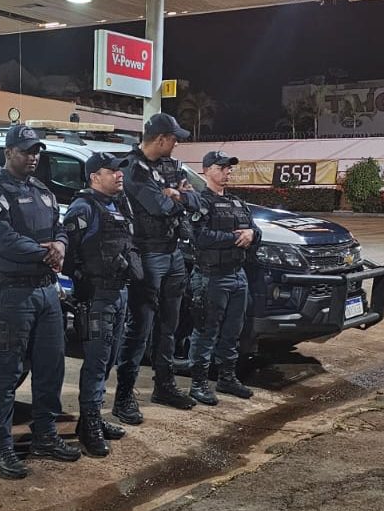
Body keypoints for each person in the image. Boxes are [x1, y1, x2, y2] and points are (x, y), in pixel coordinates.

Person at [0, 124, 81, 480]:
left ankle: (45, 436)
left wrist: (60, 244)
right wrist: (45, 253)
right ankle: (0, 447)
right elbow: (3, 241)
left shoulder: (42, 191)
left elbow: (59, 228)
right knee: (7, 372)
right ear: (8, 152)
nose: (33, 157)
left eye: (36, 151)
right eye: (25, 151)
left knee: (51, 367)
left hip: (47, 291)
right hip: (12, 293)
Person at [112, 113, 202, 425]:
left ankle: (164, 386)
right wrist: (177, 197)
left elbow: (197, 200)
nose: (177, 144)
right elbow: (158, 207)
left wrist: (178, 195)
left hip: (173, 252)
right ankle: (124, 396)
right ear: (161, 139)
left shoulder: (171, 166)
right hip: (147, 254)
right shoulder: (132, 168)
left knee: (169, 325)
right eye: (174, 138)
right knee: (140, 328)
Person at [62, 153, 139, 456]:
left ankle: (91, 418)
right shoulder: (83, 208)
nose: (120, 175)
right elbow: (68, 257)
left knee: (108, 360)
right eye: (113, 171)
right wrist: (84, 284)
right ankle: (90, 426)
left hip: (119, 293)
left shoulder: (117, 205)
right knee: (96, 362)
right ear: (95, 176)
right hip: (97, 297)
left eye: (120, 171)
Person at [186, 151, 262, 405]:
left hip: (237, 275)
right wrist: (235, 238)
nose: (227, 172)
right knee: (206, 332)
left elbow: (255, 231)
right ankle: (198, 383)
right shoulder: (200, 202)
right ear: (207, 170)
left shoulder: (237, 203)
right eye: (221, 167)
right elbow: (199, 237)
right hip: (211, 277)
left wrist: (252, 234)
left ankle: (227, 378)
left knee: (232, 331)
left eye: (229, 168)